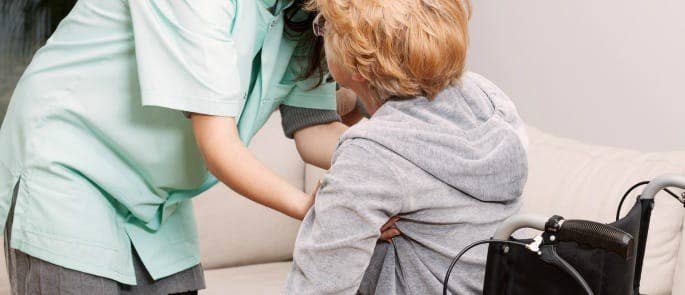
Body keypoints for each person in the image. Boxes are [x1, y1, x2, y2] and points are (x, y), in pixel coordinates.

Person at [0, 0, 385, 294]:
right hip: (68, 164)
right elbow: (218, 146)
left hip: (157, 200)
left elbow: (313, 129)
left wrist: (400, 162)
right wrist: (321, 209)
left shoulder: (307, 15)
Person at [285, 0, 529, 294]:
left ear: (355, 62)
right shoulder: (488, 100)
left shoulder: (371, 152)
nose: (321, 36)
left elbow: (317, 287)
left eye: (326, 27)